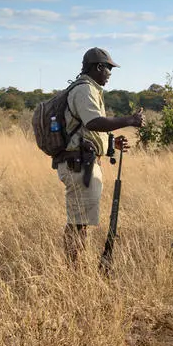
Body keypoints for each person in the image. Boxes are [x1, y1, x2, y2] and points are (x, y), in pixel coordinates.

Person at [54, 47, 144, 263]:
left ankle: (74, 267)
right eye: (109, 68)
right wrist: (129, 120)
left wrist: (111, 143)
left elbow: (86, 131)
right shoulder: (85, 90)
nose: (110, 74)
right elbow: (93, 122)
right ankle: (73, 270)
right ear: (98, 67)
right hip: (79, 165)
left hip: (82, 162)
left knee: (80, 220)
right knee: (78, 222)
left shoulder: (89, 89)